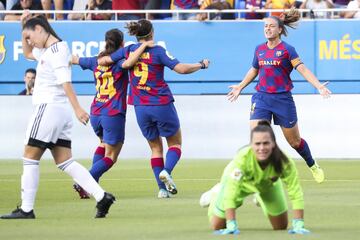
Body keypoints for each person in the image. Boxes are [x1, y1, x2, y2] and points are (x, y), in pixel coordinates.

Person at [0, 12, 114, 219]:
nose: (29, 42)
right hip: (59, 112)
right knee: (64, 161)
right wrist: (22, 27)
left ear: (39, 30)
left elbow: (65, 82)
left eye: (30, 36)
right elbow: (27, 54)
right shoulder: (50, 49)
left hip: (49, 108)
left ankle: (26, 209)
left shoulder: (55, 51)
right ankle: (102, 196)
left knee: (29, 157)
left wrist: (78, 108)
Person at [98, 19, 210, 198]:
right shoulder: (158, 51)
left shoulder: (128, 50)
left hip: (140, 107)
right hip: (161, 103)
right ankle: (166, 172)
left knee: (155, 148)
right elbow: (180, 69)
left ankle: (162, 190)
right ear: (151, 33)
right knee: (175, 143)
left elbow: (104, 61)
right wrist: (201, 65)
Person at [227, 8, 331, 183]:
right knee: (258, 136)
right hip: (261, 98)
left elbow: (303, 69)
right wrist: (240, 87)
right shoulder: (259, 49)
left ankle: (312, 165)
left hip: (283, 100)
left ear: (279, 30)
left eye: (271, 26)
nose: (267, 29)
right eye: (265, 26)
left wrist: (318, 85)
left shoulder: (288, 50)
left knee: (295, 142)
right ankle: (264, 175)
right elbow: (254, 70)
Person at [71, 29, 154, 199]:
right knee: (111, 156)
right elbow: (130, 63)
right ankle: (84, 182)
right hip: (112, 113)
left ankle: (91, 187)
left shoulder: (95, 61)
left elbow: (74, 59)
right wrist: (144, 45)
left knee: (102, 144)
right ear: (122, 43)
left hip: (96, 112)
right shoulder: (119, 62)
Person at [200, 120, 310, 235]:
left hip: (267, 185)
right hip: (238, 185)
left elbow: (295, 191)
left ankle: (260, 198)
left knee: (280, 226)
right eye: (257, 144)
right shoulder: (242, 159)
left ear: (273, 143)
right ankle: (215, 193)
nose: (261, 148)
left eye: (266, 143)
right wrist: (231, 223)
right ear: (251, 145)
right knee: (217, 225)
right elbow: (231, 191)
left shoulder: (284, 162)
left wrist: (298, 223)